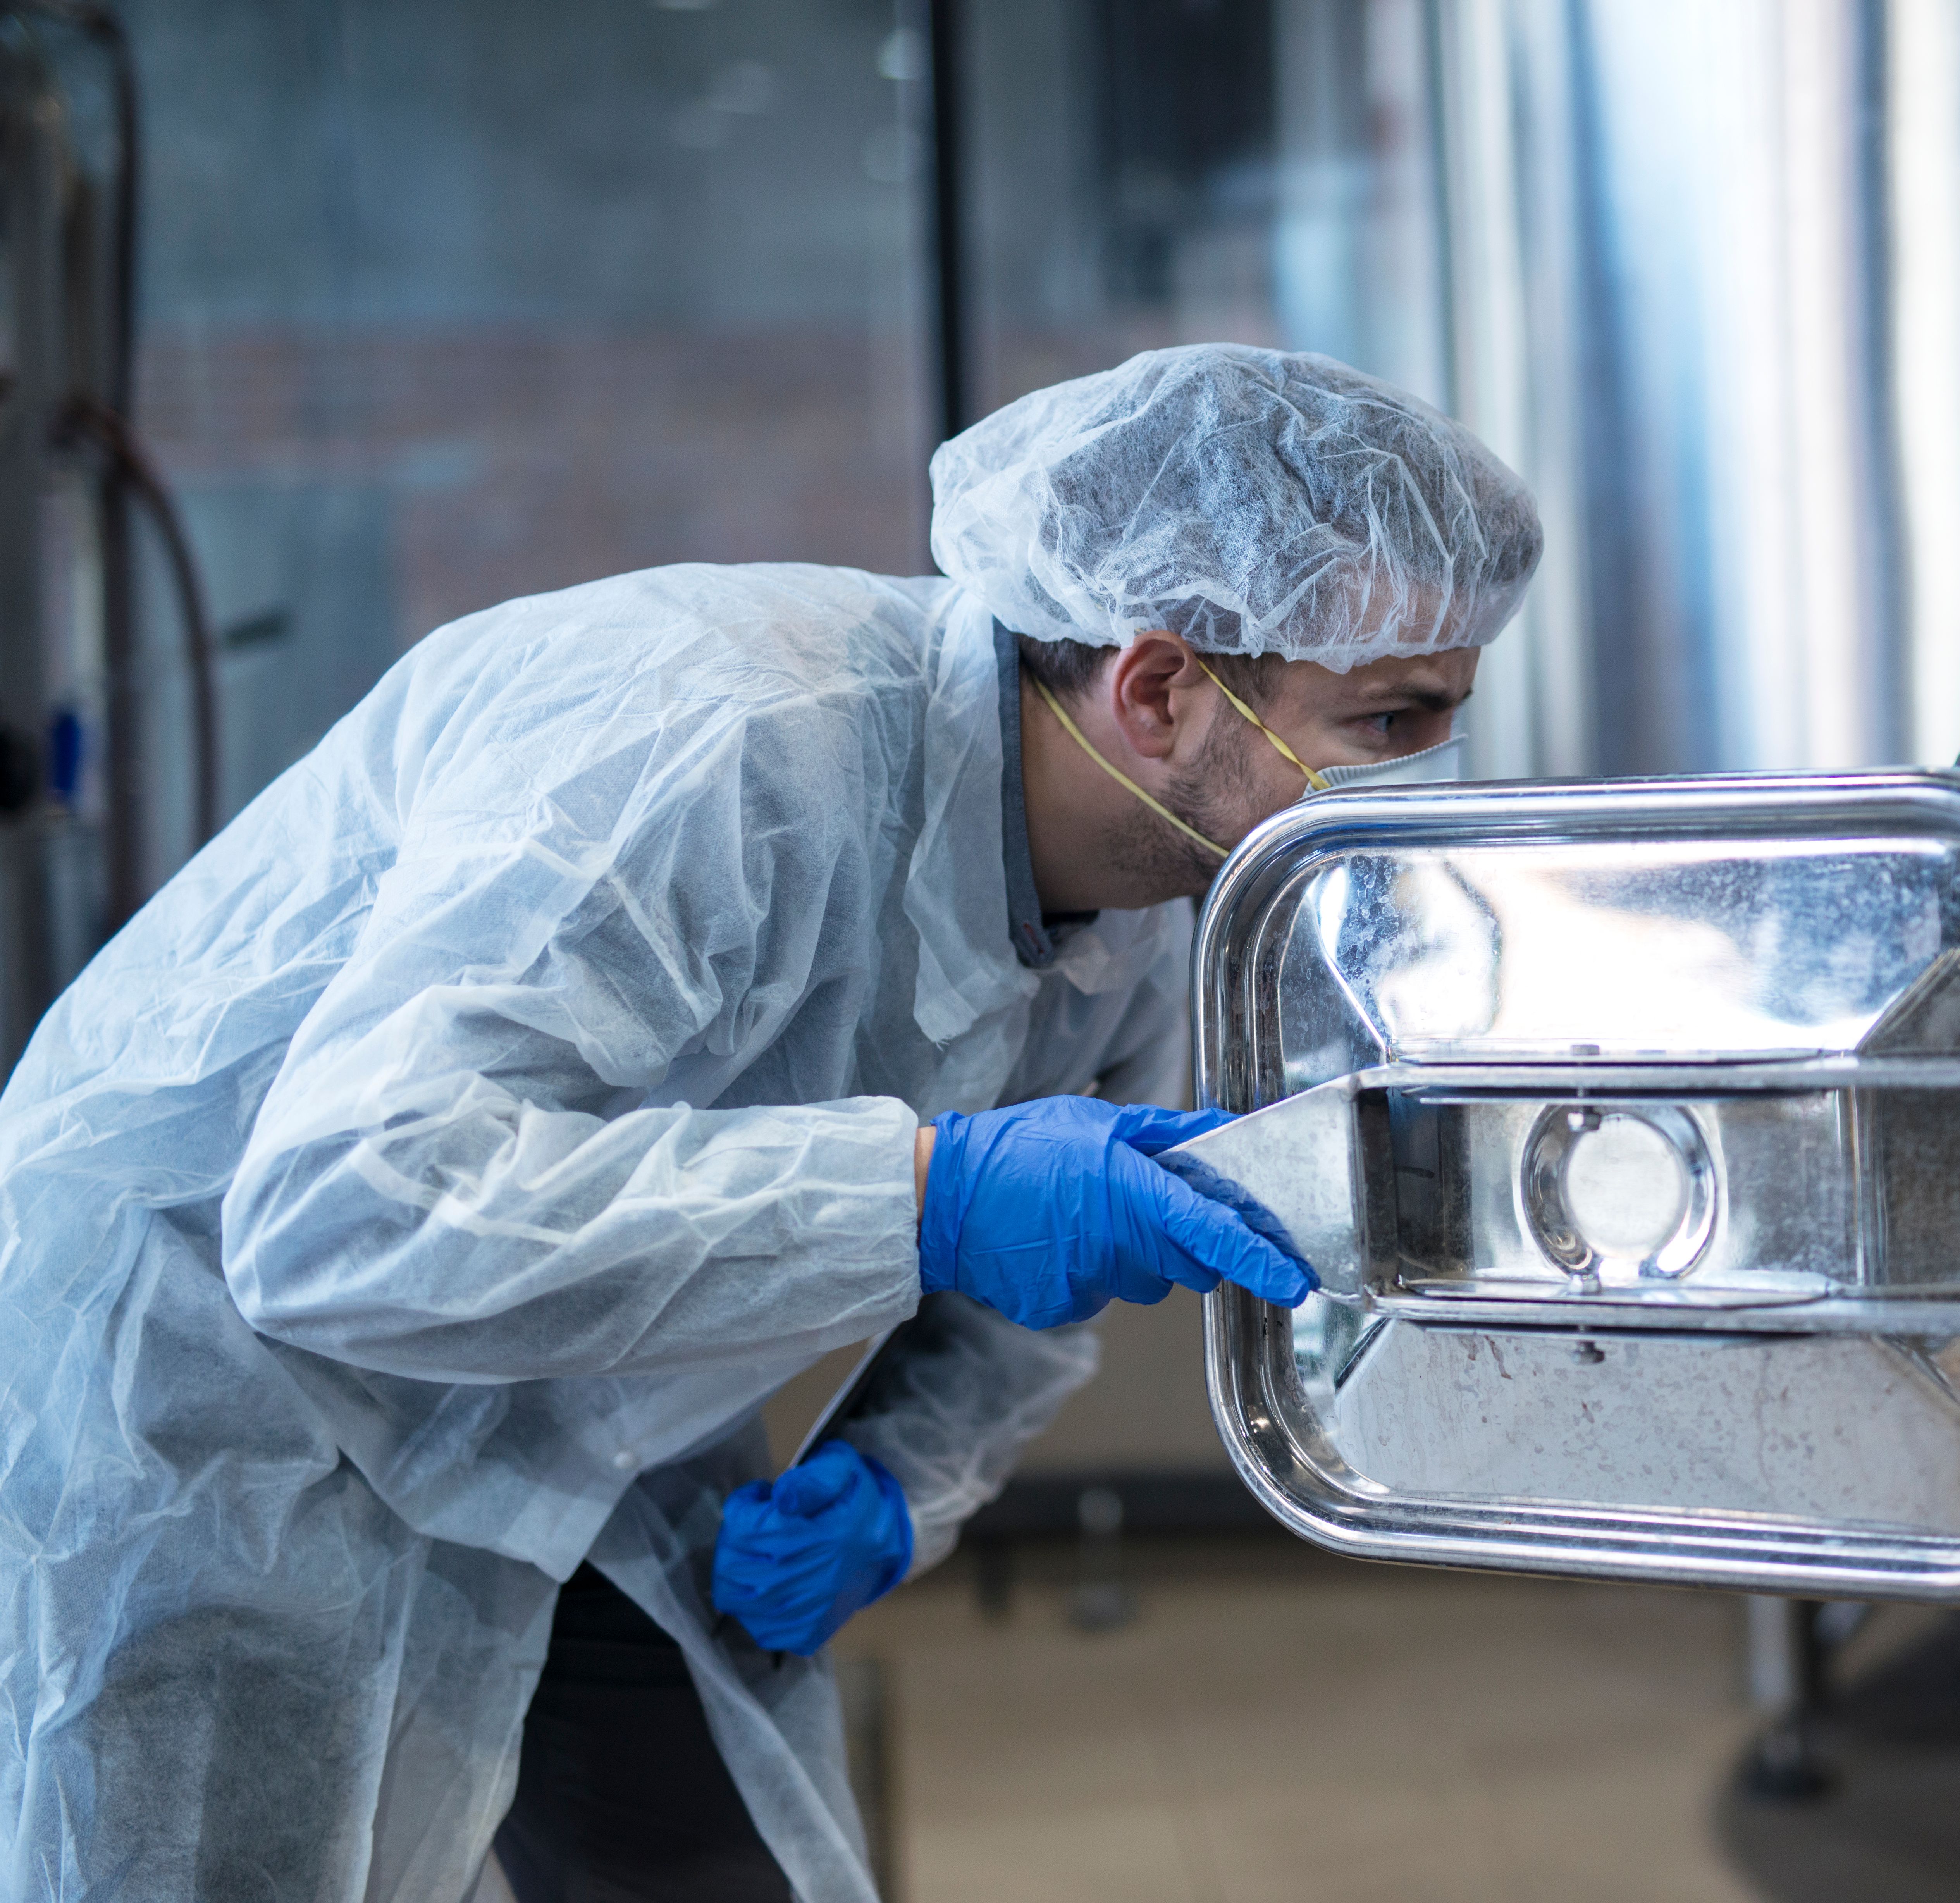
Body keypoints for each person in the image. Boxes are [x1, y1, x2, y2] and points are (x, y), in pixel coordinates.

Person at [0, 343, 1540, 1903]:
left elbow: (1039, 1275)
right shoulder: (724, 743)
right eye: (1394, 723)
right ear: (1156, 688)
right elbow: (342, 1212)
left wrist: (893, 1473)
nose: (1431, 781)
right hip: (211, 1401)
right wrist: (920, 1196)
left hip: (587, 1402)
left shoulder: (1139, 897)